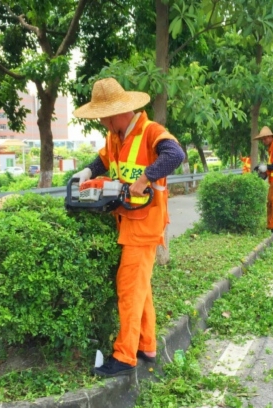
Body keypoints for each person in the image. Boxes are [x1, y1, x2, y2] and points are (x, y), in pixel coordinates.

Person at [72, 77, 185, 378]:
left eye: (106, 117)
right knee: (141, 289)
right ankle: (146, 346)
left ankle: (124, 356)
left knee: (129, 289)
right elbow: (103, 160)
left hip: (145, 225)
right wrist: (87, 172)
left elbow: (175, 155)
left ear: (120, 112)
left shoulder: (150, 132)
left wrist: (145, 178)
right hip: (127, 220)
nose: (103, 123)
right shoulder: (116, 136)